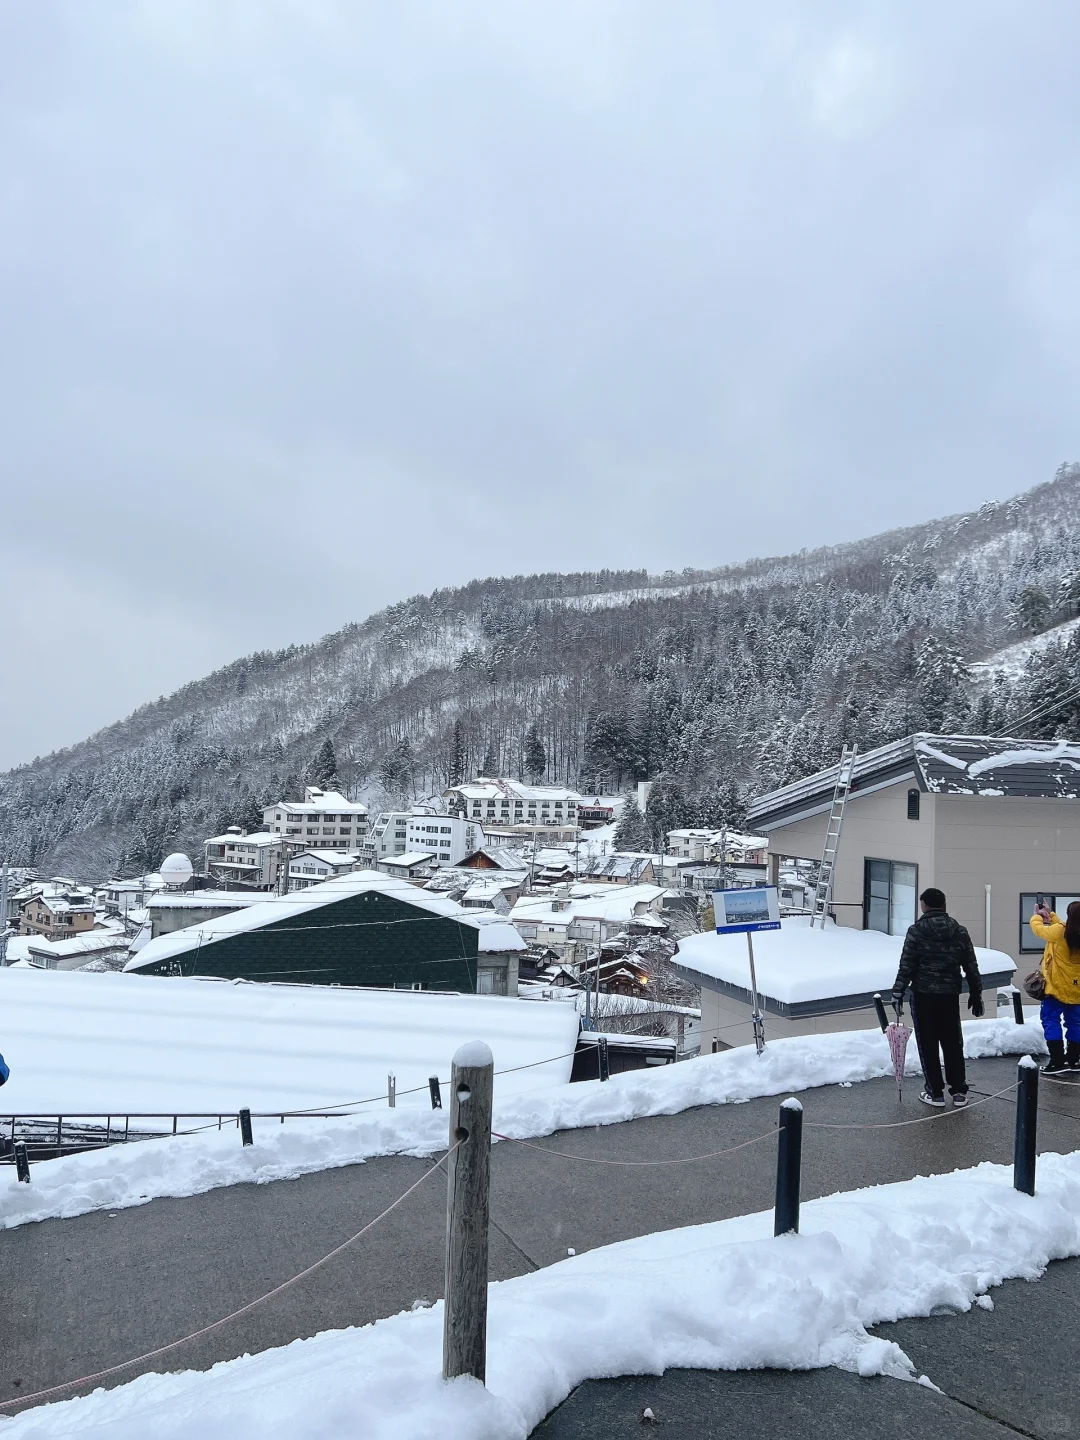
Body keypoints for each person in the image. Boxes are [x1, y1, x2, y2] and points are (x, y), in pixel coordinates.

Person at [891, 886, 984, 1108]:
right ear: (944, 904)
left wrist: (897, 992)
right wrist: (976, 993)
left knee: (928, 1044)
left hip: (923, 995)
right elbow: (971, 966)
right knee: (953, 1043)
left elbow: (907, 965)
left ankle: (935, 1093)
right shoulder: (959, 931)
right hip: (950, 995)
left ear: (924, 905)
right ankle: (959, 1092)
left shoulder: (917, 931)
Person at [1030, 900, 1080, 1074]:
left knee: (1051, 1020)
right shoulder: (1064, 930)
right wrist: (1050, 915)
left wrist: (1037, 916)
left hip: (1056, 989)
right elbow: (1061, 927)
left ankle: (1057, 1061)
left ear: (1069, 915)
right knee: (1076, 1023)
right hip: (1078, 990)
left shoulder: (1059, 932)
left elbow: (1039, 929)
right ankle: (1074, 1060)